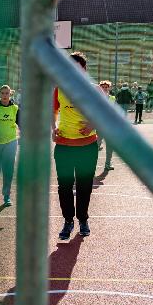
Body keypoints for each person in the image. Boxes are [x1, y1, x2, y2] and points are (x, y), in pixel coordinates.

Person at [53, 51, 98, 240]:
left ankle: (83, 220)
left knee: (84, 186)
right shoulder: (58, 89)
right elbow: (52, 110)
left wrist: (92, 125)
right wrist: (53, 128)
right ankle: (68, 221)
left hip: (87, 146)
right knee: (64, 186)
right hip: (63, 146)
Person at [97, 80, 117, 171]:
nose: (104, 88)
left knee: (110, 146)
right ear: (100, 88)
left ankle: (108, 164)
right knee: (96, 146)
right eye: (103, 87)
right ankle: (91, 164)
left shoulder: (113, 98)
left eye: (106, 87)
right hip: (99, 125)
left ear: (109, 88)